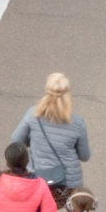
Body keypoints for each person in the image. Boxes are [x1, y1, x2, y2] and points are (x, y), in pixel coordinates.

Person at [13, 72, 92, 200]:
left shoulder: (33, 114)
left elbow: (16, 140)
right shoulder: (77, 123)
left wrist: (33, 141)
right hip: (67, 184)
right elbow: (85, 156)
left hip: (37, 179)